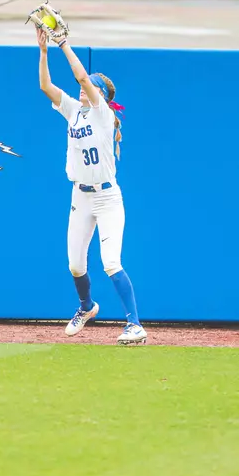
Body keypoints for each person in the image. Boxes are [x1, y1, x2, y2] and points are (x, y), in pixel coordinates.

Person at [36, 27, 147, 345]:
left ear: (103, 96)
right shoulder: (75, 110)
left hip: (107, 197)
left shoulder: (101, 113)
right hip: (80, 196)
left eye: (93, 86)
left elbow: (83, 78)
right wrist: (44, 51)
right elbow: (45, 85)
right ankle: (86, 307)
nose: (84, 87)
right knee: (75, 264)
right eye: (87, 85)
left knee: (111, 261)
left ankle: (134, 324)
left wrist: (64, 44)